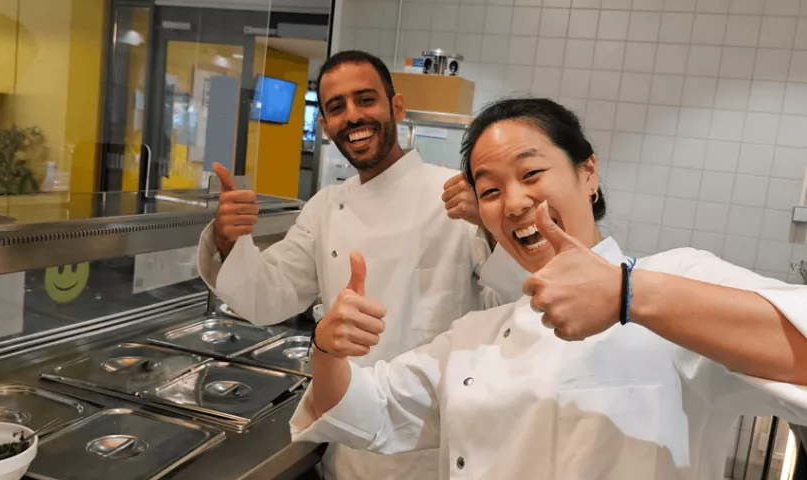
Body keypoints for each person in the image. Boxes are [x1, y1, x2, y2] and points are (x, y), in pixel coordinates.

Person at [290, 98, 807, 479]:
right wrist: (327, 351)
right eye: (490, 190)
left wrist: (627, 295)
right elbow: (368, 410)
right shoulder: (474, 336)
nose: (514, 203)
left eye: (532, 173)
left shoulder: (677, 279)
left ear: (588, 174)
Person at [197, 51, 519, 479]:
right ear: (325, 125)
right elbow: (267, 298)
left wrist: (494, 229)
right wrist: (227, 238)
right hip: (349, 446)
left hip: (435, 448)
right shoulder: (325, 208)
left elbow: (515, 308)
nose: (352, 116)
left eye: (365, 100)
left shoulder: (457, 197)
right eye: (336, 107)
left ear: (396, 107)